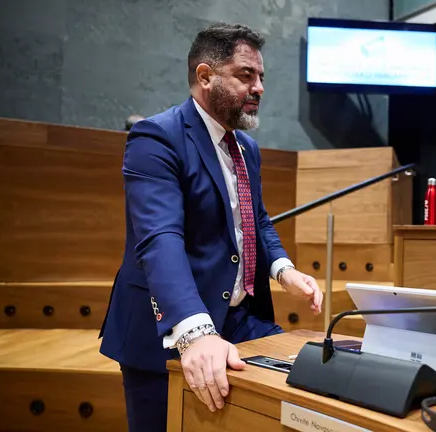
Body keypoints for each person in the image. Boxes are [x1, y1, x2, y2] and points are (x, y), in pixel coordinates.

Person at [99, 23, 323, 432]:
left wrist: (284, 270)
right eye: (245, 75)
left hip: (240, 320)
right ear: (205, 76)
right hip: (167, 328)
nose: (258, 87)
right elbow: (159, 239)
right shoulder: (157, 137)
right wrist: (195, 333)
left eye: (261, 77)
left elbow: (255, 220)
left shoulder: (247, 149)